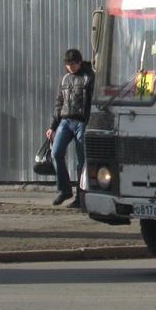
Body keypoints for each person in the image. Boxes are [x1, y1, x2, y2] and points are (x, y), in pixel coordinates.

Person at [46, 49, 95, 207]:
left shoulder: (89, 78)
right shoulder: (65, 79)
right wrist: (53, 126)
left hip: (82, 122)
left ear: (80, 62)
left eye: (72, 64)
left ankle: (81, 197)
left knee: (81, 161)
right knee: (56, 153)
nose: (70, 67)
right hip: (65, 121)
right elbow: (59, 103)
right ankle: (64, 190)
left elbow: (93, 102)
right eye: (67, 65)